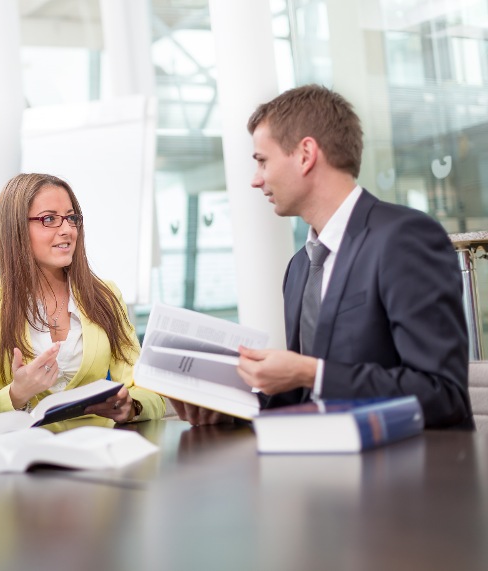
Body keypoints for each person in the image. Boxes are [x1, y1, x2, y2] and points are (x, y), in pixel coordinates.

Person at [173, 84, 473, 429]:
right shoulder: (300, 266)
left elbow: (442, 393)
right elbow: (301, 398)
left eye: (262, 161)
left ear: (305, 154)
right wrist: (227, 409)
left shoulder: (404, 238)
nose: (256, 180)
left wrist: (308, 372)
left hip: (410, 472)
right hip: (324, 466)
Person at [0, 173, 165, 427]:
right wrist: (16, 395)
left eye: (71, 218)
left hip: (98, 452)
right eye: (49, 219)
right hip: (24, 456)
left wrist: (131, 406)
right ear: (17, 228)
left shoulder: (105, 296)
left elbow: (151, 395)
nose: (67, 230)